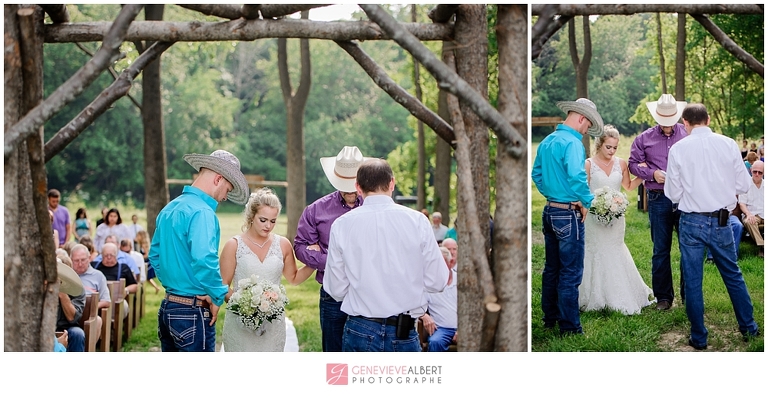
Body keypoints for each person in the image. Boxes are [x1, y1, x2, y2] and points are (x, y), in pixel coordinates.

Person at [324, 159, 451, 352]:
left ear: (358, 187)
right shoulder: (417, 222)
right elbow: (438, 281)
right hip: (404, 329)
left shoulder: (342, 225)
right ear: (392, 183)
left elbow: (335, 288)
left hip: (360, 327)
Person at [665, 103, 760, 350]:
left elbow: (673, 193)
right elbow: (744, 185)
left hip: (692, 222)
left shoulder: (678, 148)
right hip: (721, 220)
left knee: (693, 281)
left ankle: (699, 337)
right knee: (732, 274)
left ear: (684, 123)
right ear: (708, 119)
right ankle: (749, 328)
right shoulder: (728, 144)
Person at [150, 149, 249, 352]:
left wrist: (176, 281)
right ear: (218, 179)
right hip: (192, 312)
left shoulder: (169, 208)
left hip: (168, 307)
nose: (225, 197)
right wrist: (219, 294)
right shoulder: (203, 212)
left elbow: (155, 256)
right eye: (228, 190)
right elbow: (204, 260)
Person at [531, 97, 603, 335]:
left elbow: (536, 174)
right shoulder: (573, 144)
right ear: (581, 118)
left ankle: (550, 317)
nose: (586, 131)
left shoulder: (547, 140)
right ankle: (570, 327)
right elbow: (577, 177)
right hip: (568, 215)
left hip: (550, 210)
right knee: (571, 272)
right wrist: (588, 201)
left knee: (552, 268)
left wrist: (552, 193)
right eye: (587, 126)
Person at [293, 145, 369, 352]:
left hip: (367, 291)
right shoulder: (316, 210)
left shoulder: (375, 208)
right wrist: (334, 262)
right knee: (334, 355)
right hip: (331, 295)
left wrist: (327, 256)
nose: (349, 190)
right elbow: (300, 247)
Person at [220, 188, 315, 351]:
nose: (268, 226)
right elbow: (222, 285)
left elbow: (294, 278)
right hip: (240, 325)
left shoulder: (283, 244)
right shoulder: (234, 245)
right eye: (263, 220)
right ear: (251, 216)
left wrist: (315, 261)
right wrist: (245, 306)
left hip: (272, 326)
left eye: (273, 221)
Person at [578, 125, 652, 315]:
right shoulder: (588, 164)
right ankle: (594, 296)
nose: (611, 151)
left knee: (614, 250)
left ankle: (619, 294)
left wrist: (644, 175)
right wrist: (595, 205)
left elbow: (627, 186)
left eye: (614, 148)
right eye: (608, 147)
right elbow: (583, 191)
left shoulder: (621, 164)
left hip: (616, 218)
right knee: (595, 251)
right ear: (599, 144)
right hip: (594, 218)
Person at [628, 93, 687, 311]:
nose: (668, 126)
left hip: (685, 199)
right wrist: (652, 174)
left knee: (687, 249)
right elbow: (632, 164)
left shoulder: (687, 134)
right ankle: (664, 298)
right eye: (664, 121)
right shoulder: (643, 138)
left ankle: (688, 295)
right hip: (658, 197)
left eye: (671, 121)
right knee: (660, 250)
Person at [420, 246, 458, 352]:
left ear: (450, 263)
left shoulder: (460, 281)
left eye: (441, 262)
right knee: (435, 342)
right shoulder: (428, 284)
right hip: (441, 329)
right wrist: (424, 316)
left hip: (463, 327)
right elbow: (415, 304)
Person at [55, 258, 86, 352]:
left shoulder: (77, 290)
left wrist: (62, 293)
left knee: (78, 334)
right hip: (42, 326)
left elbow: (72, 318)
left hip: (66, 327)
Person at [738, 160, 764, 257]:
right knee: (749, 221)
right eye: (755, 171)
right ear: (751, 170)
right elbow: (742, 204)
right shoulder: (745, 185)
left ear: (764, 173)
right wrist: (748, 214)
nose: (757, 174)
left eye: (760, 172)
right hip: (752, 214)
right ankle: (762, 246)